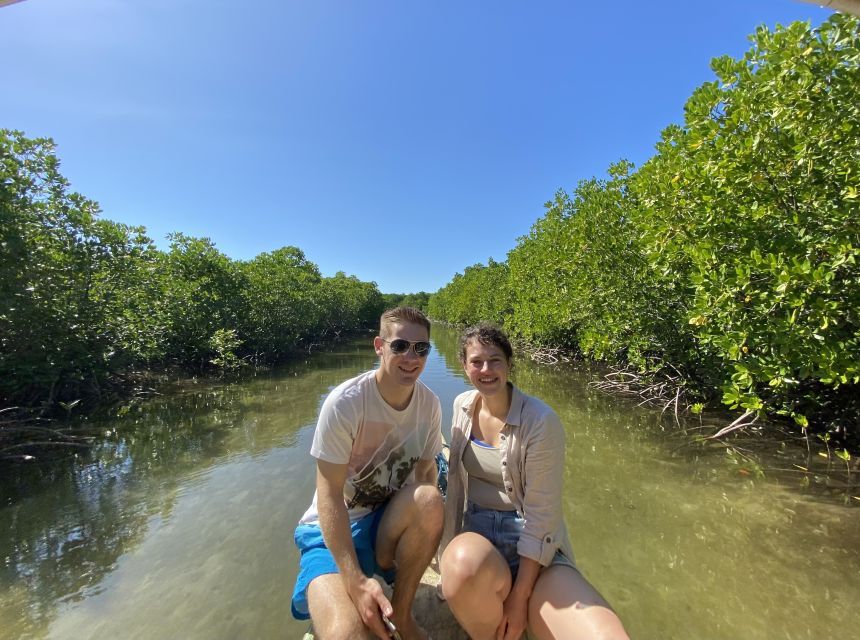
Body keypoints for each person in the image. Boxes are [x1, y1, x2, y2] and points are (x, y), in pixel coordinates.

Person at [440, 324, 630, 640]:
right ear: (464, 365)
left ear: (509, 365)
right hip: (479, 538)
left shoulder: (541, 421)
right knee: (460, 565)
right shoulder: (461, 405)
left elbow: (542, 518)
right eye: (476, 361)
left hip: (533, 543)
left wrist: (519, 599)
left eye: (495, 360)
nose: (486, 369)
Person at [291, 307, 444, 640]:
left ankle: (402, 616)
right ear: (379, 346)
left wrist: (427, 540)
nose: (411, 357)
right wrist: (355, 580)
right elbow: (329, 494)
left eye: (422, 348)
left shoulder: (429, 405)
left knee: (431, 499)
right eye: (400, 346)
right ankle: (364, 574)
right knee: (347, 633)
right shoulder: (345, 403)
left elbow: (427, 470)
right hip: (335, 526)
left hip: (387, 519)